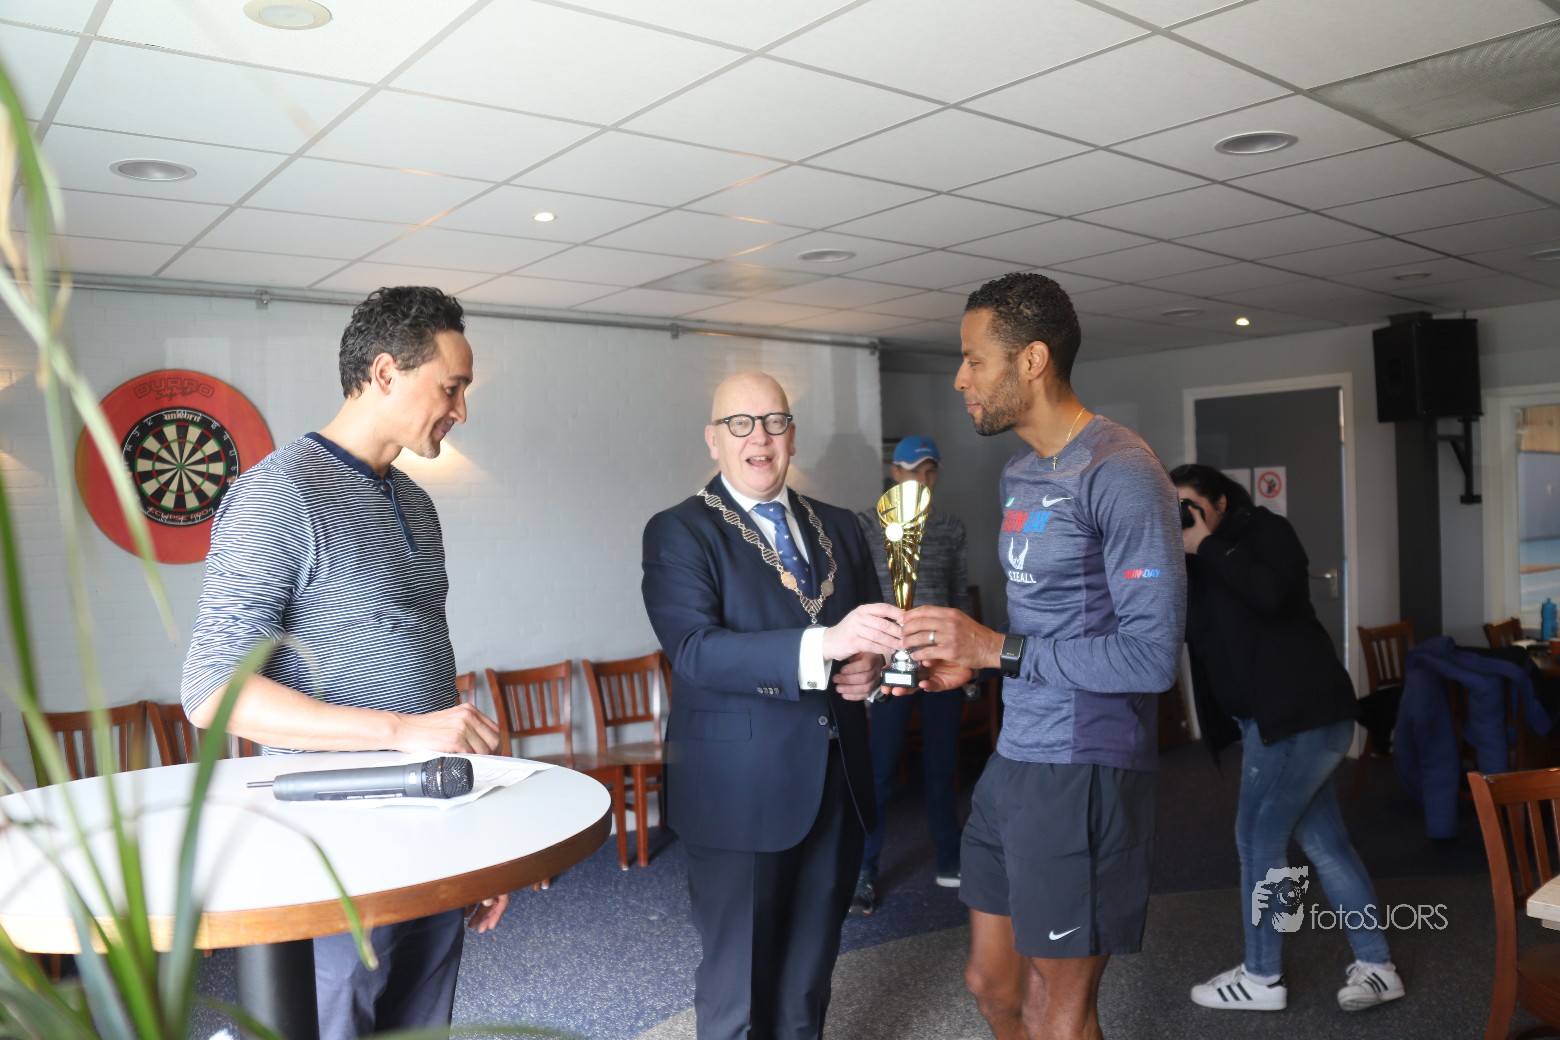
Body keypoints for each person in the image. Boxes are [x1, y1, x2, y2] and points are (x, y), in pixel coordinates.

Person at [180, 286, 507, 1040]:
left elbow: (417, 661)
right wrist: (400, 732)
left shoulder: (416, 502)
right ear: (386, 373)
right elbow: (211, 691)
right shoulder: (276, 495)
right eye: (451, 388)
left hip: (435, 827)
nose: (461, 409)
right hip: (333, 848)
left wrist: (480, 839)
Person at [899, 272, 1186, 1040]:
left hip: (1086, 761)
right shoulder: (1019, 472)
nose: (959, 379)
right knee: (991, 986)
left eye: (974, 360)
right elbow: (1039, 627)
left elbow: (1151, 657)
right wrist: (979, 661)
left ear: (1031, 360)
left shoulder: (1122, 471)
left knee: (1057, 1013)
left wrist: (997, 647)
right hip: (1016, 756)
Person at [641, 371, 903, 1040]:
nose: (759, 437)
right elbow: (695, 650)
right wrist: (827, 644)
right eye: (740, 424)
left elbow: (869, 632)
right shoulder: (679, 531)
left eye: (774, 422)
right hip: (739, 792)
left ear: (791, 435)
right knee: (739, 991)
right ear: (714, 440)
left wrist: (870, 666)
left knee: (807, 982)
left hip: (836, 784)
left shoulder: (841, 526)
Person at [1172, 463, 1404, 1013]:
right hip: (1281, 722)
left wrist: (1206, 545)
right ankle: (1378, 967)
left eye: (1188, 505)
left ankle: (1262, 976)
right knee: (1326, 844)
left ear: (1220, 503)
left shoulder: (1264, 532)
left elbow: (1271, 594)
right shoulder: (1193, 562)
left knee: (1258, 840)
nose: (1180, 517)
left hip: (1298, 718)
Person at [851, 434, 970, 915]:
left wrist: (966, 659)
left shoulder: (951, 526)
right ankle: (864, 869)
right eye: (912, 470)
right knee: (879, 770)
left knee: (942, 767)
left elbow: (957, 593)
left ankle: (949, 855)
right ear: (895, 473)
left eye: (929, 470)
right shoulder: (868, 524)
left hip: (941, 664)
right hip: (889, 666)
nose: (921, 478)